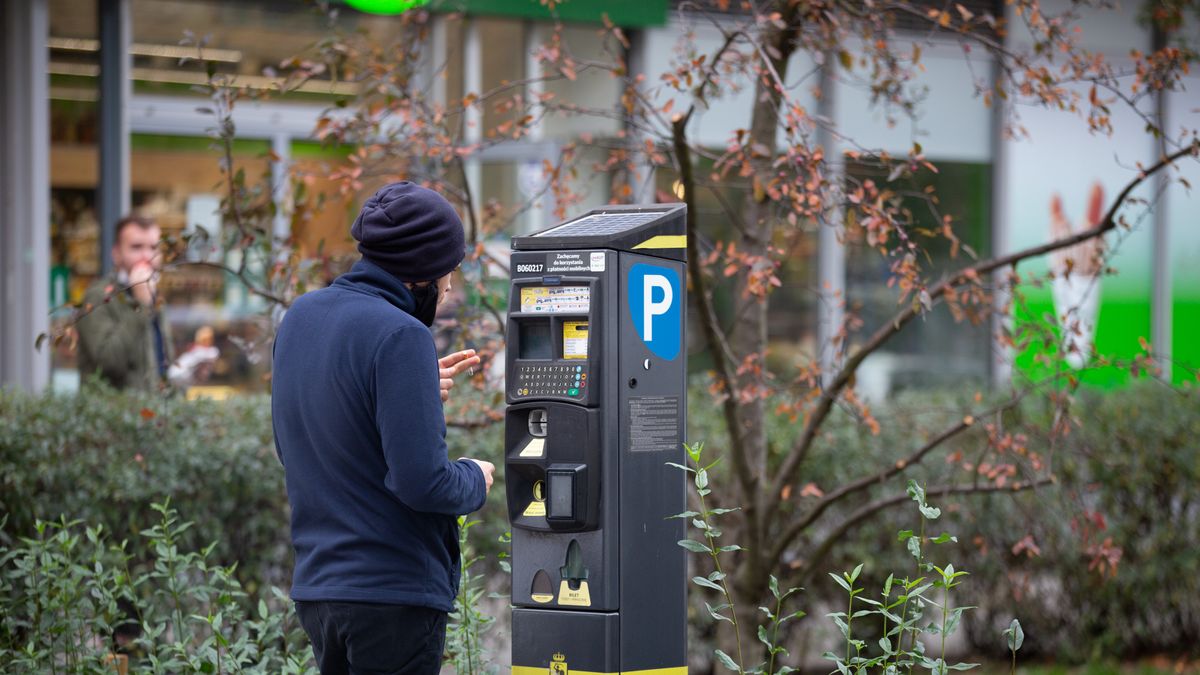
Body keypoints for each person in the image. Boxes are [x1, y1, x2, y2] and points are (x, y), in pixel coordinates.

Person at [271, 181, 496, 675]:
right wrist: (475, 478)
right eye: (449, 270)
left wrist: (407, 394)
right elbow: (424, 483)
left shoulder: (300, 317)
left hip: (319, 589)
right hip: (392, 595)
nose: (450, 286)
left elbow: (298, 444)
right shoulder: (402, 334)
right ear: (422, 274)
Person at [77, 214, 172, 390]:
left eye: (153, 248)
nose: (147, 256)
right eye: (136, 247)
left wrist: (186, 377)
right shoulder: (98, 296)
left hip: (153, 407)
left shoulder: (155, 296)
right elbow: (108, 363)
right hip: (116, 407)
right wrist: (140, 304)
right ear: (117, 254)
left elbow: (161, 364)